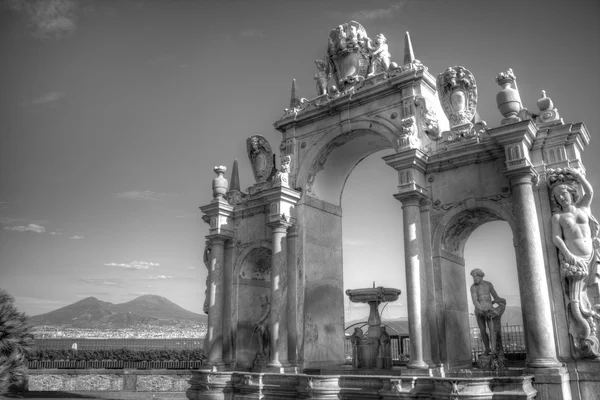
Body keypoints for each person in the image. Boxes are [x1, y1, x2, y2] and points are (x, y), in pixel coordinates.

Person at [549, 167, 600, 356]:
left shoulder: (583, 208)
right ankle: (584, 335)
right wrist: (568, 255)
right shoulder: (558, 216)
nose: (561, 198)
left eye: (563, 193)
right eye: (557, 196)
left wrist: (578, 176)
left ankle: (590, 331)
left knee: (593, 294)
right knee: (576, 299)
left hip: (591, 256)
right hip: (574, 260)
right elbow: (556, 238)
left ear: (571, 193)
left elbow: (590, 191)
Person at [470, 268, 506, 356]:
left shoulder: (488, 285)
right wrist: (482, 309)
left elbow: (495, 296)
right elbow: (475, 301)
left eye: (476, 277)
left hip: (489, 311)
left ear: (481, 276)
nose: (474, 279)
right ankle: (487, 349)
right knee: (482, 331)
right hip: (479, 312)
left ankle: (493, 350)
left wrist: (500, 302)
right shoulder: (473, 287)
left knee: (492, 330)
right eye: (473, 277)